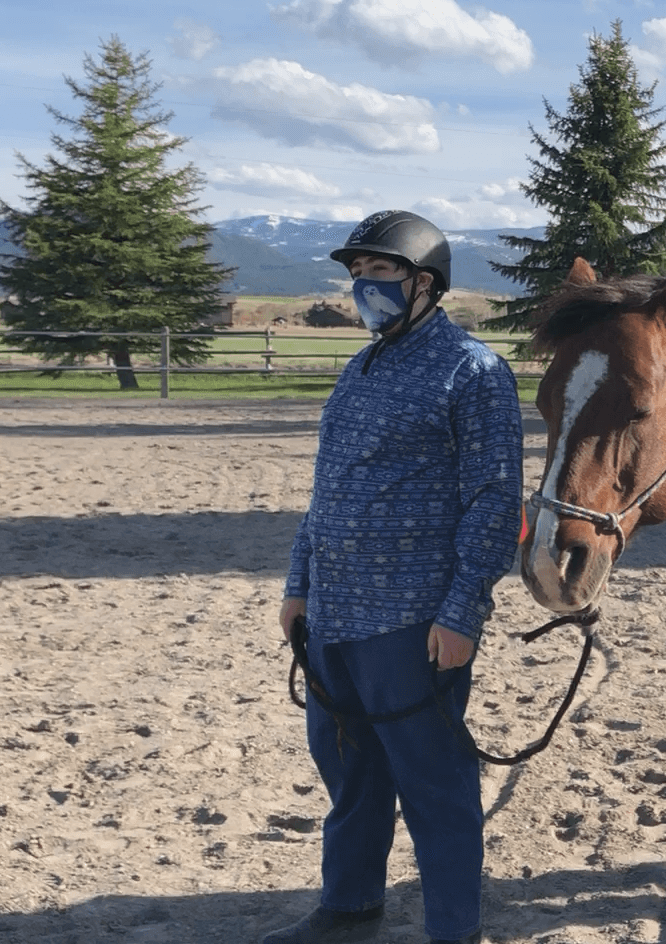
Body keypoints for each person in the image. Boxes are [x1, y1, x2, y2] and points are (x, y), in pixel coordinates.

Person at [267, 211, 524, 944]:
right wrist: (298, 585)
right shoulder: (362, 365)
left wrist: (463, 610)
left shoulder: (472, 370)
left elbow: (494, 498)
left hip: (413, 618)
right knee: (349, 775)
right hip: (334, 617)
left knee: (434, 785)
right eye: (357, 274)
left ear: (423, 283)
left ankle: (453, 931)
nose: (363, 287)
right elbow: (329, 488)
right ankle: (349, 908)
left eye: (379, 273)